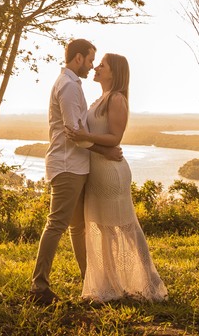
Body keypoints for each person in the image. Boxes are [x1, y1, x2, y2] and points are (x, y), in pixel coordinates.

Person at [64, 52, 167, 303]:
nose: (96, 67)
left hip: (111, 172)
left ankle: (149, 283)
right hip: (97, 171)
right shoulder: (101, 98)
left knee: (124, 227)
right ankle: (109, 285)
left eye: (103, 65)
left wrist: (83, 138)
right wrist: (84, 139)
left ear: (114, 72)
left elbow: (115, 139)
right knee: (101, 228)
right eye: (96, 64)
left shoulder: (116, 98)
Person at [29, 38, 123, 305]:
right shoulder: (69, 87)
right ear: (78, 58)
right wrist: (105, 151)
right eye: (91, 60)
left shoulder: (72, 85)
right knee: (57, 224)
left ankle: (89, 282)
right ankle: (38, 288)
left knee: (77, 228)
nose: (92, 65)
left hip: (76, 166)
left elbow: (79, 132)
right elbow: (75, 135)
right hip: (68, 165)